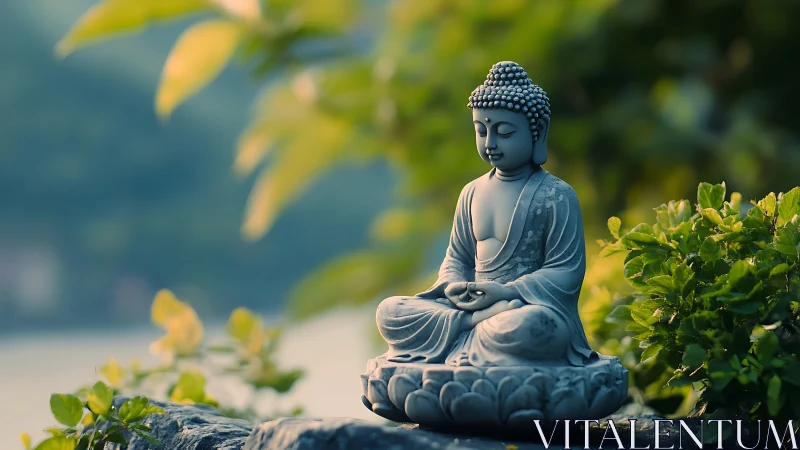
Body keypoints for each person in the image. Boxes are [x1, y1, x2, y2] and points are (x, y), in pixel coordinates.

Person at [376, 61, 598, 367]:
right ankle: (472, 327)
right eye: (481, 131)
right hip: (470, 311)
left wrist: (505, 292)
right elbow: (458, 258)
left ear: (538, 132)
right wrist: (454, 286)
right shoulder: (471, 193)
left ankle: (475, 338)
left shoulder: (556, 195)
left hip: (519, 309)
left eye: (504, 132)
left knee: (535, 327)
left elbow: (567, 272)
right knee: (391, 312)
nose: (490, 143)